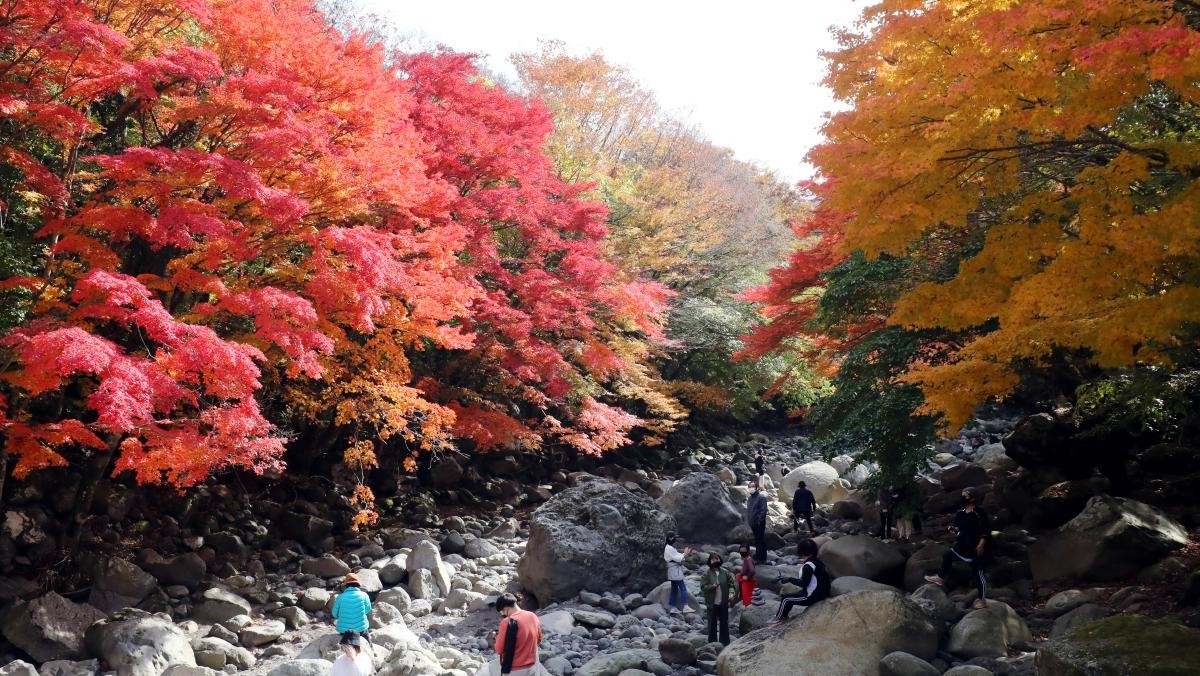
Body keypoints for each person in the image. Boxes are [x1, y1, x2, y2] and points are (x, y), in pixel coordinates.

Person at [925, 487, 992, 609]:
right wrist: (953, 529)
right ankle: (940, 578)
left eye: (965, 496)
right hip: (962, 545)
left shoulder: (979, 512)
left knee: (978, 572)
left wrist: (981, 544)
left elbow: (987, 530)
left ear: (973, 497)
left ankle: (982, 599)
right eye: (962, 495)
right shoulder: (961, 513)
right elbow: (958, 528)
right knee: (947, 555)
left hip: (977, 546)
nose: (963, 498)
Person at [769, 539, 830, 625]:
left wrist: (789, 579)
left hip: (813, 596)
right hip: (822, 593)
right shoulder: (818, 562)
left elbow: (803, 583)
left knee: (786, 599)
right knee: (792, 596)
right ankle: (784, 616)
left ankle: (779, 617)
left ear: (802, 551)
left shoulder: (808, 566)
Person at [489, 593, 543, 675]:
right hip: (533, 667)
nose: (503, 614)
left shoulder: (507, 622)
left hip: (514, 670)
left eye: (501, 612)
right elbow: (538, 640)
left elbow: (499, 649)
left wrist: (496, 638)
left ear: (505, 608)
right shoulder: (533, 616)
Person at [700, 552, 738, 645]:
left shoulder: (725, 572)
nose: (715, 560)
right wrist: (712, 586)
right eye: (713, 559)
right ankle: (712, 643)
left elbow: (731, 584)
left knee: (724, 623)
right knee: (712, 623)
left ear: (720, 560)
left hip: (723, 602)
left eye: (717, 558)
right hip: (712, 603)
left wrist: (732, 593)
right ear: (710, 561)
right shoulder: (707, 574)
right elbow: (703, 587)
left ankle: (724, 642)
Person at [331, 573, 372, 638]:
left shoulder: (340, 597)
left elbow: (334, 614)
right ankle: (370, 646)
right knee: (367, 638)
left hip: (344, 631)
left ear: (346, 585)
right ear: (358, 584)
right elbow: (367, 610)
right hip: (361, 630)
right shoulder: (364, 595)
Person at [664, 533, 694, 614]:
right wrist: (685, 553)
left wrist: (686, 554)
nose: (675, 540)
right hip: (675, 570)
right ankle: (685, 607)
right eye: (674, 538)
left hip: (673, 570)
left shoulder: (669, 548)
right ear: (670, 539)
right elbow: (678, 558)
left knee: (674, 589)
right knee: (683, 588)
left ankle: (673, 607)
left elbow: (678, 556)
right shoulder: (669, 548)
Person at [746, 480, 768, 563]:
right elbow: (749, 511)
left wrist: (759, 520)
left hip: (759, 522)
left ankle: (760, 557)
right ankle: (760, 556)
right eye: (749, 487)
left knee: (760, 539)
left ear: (756, 488)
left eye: (753, 486)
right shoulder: (749, 498)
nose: (751, 488)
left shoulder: (761, 497)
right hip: (752, 522)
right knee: (757, 539)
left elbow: (764, 510)